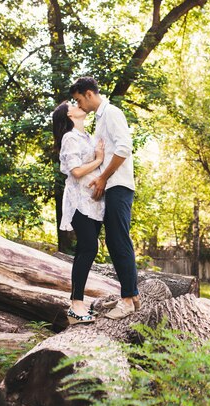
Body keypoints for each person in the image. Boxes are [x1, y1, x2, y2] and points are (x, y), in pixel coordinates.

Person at [70, 76, 140, 320]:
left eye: (79, 99)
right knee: (114, 241)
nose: (79, 105)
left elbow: (124, 148)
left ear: (89, 94)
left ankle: (128, 299)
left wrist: (103, 178)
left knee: (119, 239)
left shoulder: (111, 113)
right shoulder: (100, 119)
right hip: (110, 186)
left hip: (118, 184)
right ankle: (131, 296)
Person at [53, 101, 105, 324]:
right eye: (72, 104)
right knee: (88, 248)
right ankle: (76, 305)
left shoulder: (89, 137)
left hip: (95, 202)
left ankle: (78, 305)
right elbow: (75, 172)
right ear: (69, 115)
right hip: (78, 202)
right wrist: (99, 159)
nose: (78, 104)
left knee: (89, 250)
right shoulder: (70, 137)